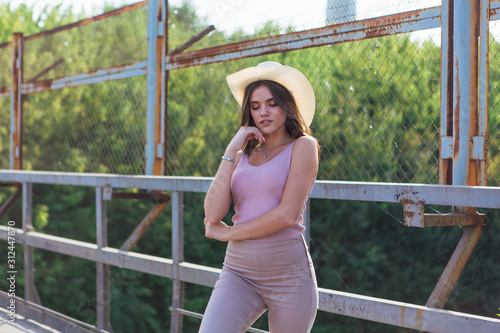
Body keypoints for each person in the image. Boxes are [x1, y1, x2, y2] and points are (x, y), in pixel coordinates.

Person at [199, 61, 319, 333]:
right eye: (255, 106)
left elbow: (287, 215)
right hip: (238, 273)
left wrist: (229, 234)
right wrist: (232, 149)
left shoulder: (304, 147)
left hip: (289, 278)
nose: (263, 112)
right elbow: (212, 215)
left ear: (287, 106)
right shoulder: (241, 156)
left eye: (272, 103)